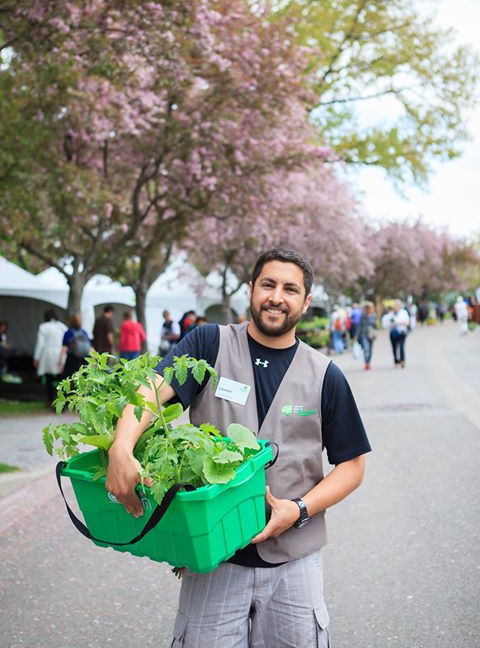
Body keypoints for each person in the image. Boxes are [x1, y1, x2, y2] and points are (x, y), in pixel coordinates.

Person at [106, 247, 371, 647]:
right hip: (213, 560)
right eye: (268, 284)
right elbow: (150, 393)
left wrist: (297, 509)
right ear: (250, 289)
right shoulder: (208, 345)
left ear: (306, 302)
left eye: (290, 289)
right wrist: (121, 447)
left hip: (294, 562)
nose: (277, 297)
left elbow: (352, 465)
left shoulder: (325, 375)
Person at [33, 309, 67, 407]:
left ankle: (50, 400)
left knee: (49, 378)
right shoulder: (62, 326)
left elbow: (40, 344)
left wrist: (36, 357)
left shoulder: (43, 327)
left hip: (48, 354)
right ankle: (61, 401)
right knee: (61, 379)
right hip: (61, 354)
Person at [59, 314, 92, 379]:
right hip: (84, 359)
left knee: (68, 378)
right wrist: (93, 360)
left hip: (72, 359)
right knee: (83, 378)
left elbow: (64, 348)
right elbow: (90, 347)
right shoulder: (84, 332)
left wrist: (60, 362)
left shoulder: (68, 333)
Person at [389, 300, 410, 368]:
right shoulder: (391, 314)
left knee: (401, 347)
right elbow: (386, 323)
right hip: (393, 332)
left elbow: (407, 323)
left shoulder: (404, 312)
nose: (396, 307)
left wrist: (399, 322)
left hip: (402, 332)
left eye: (397, 305)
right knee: (394, 348)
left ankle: (402, 360)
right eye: (395, 305)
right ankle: (396, 361)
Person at [356, 301, 377, 371]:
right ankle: (366, 363)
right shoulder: (363, 315)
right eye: (367, 307)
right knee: (366, 349)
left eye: (370, 307)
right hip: (364, 334)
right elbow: (359, 326)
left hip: (371, 335)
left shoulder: (373, 315)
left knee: (370, 350)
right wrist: (357, 335)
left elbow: (375, 325)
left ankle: (368, 362)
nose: (369, 309)